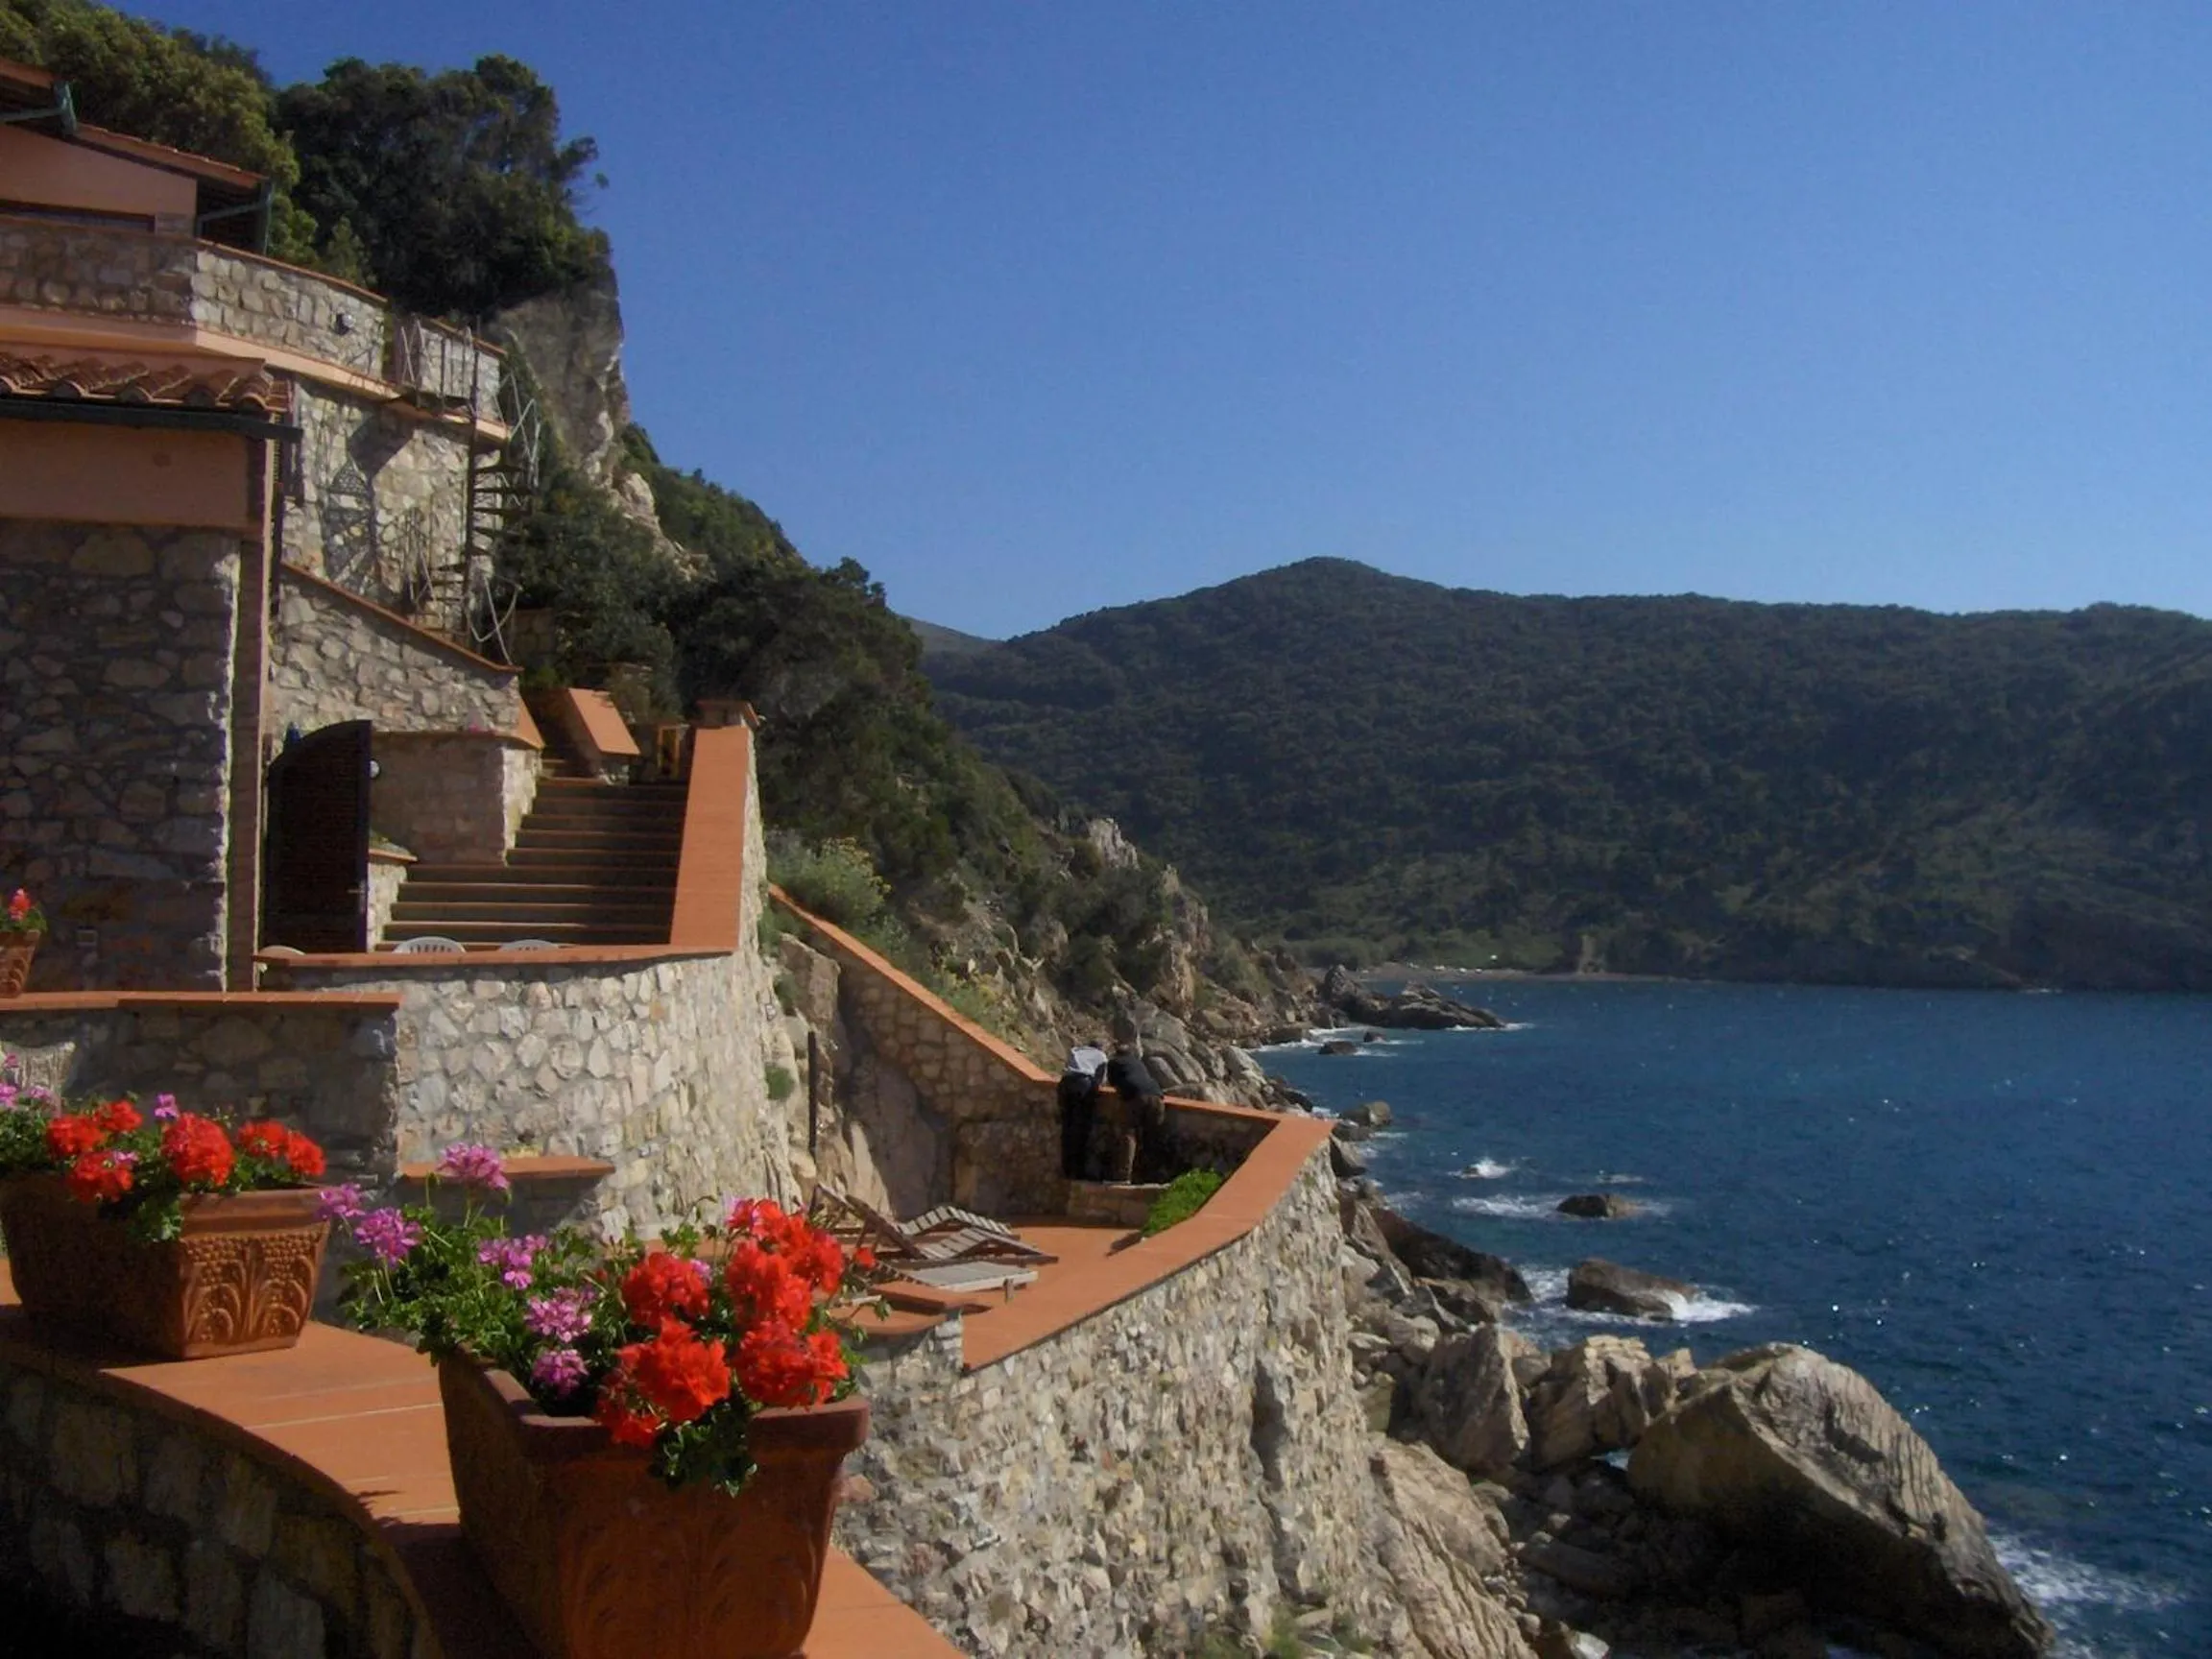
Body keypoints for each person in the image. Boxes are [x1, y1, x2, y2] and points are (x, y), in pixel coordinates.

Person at [1102, 1046, 1166, 1183]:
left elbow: (1112, 1083)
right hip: (1157, 1097)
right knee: (1152, 1137)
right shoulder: (1138, 1063)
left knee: (1128, 1134)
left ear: (1116, 1054)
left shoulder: (1114, 1063)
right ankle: (1152, 1177)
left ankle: (1123, 1177)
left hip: (1136, 1097)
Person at [1058, 1043, 1108, 1178]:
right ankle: (1078, 1170)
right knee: (1081, 1128)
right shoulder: (1101, 1055)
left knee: (1067, 1126)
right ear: (1099, 1047)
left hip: (1065, 1084)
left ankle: (1066, 1168)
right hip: (1083, 1084)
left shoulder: (1075, 1050)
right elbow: (1100, 1080)